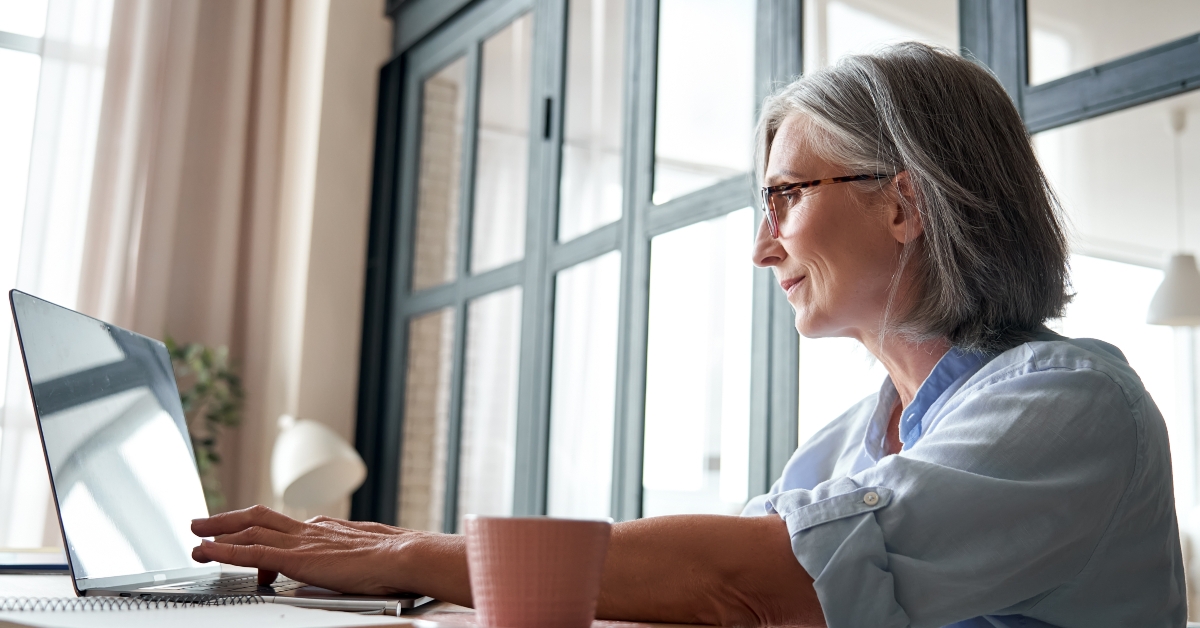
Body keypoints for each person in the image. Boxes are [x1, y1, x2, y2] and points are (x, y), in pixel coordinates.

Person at [191, 42, 1185, 627]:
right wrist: (420, 577)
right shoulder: (849, 442)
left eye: (786, 196)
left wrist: (419, 554)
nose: (764, 246)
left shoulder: (1073, 403)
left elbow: (756, 577)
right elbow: (694, 585)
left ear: (905, 204)